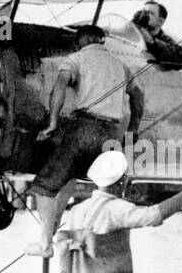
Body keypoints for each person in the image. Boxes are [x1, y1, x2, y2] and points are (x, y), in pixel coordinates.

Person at [26, 25, 144, 257]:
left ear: (80, 42)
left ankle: (45, 245)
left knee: (45, 185)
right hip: (110, 135)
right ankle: (86, 242)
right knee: (87, 184)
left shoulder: (76, 59)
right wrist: (133, 129)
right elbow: (138, 95)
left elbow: (59, 87)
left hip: (84, 129)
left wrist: (52, 123)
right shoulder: (120, 65)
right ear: (101, 41)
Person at [131, 0, 182, 69]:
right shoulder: (133, 28)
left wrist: (152, 42)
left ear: (160, 21)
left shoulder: (165, 39)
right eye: (143, 11)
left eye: (149, 13)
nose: (143, 14)